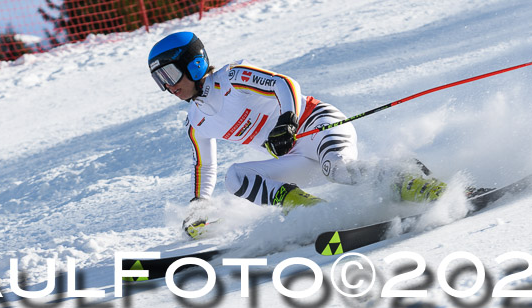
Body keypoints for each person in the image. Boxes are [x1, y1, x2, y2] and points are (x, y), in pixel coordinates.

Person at [148, 32, 447, 238]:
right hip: (296, 157)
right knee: (234, 177)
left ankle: (411, 179)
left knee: (339, 170)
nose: (168, 87)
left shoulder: (232, 77)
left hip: (318, 124)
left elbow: (284, 84)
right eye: (160, 80)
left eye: (170, 74)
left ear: (194, 63)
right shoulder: (196, 121)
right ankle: (314, 213)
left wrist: (288, 120)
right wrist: (199, 206)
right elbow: (204, 167)